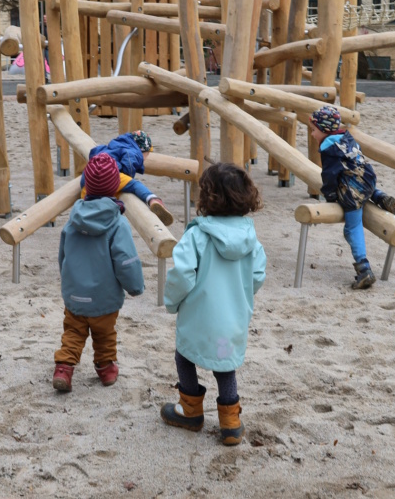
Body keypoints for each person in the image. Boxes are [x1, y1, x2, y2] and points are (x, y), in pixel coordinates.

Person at [160, 163, 266, 445]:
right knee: (224, 364)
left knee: (184, 356)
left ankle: (190, 411)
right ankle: (231, 421)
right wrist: (242, 295)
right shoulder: (250, 239)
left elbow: (182, 275)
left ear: (207, 197)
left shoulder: (197, 235)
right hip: (231, 319)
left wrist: (171, 302)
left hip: (198, 316)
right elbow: (257, 275)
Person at [54, 153, 145, 392]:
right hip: (104, 299)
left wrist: (68, 283)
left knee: (73, 333)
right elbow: (125, 261)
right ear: (115, 187)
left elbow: (63, 255)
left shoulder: (73, 219)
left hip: (74, 296)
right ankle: (106, 370)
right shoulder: (116, 222)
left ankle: (63, 368)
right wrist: (135, 287)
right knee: (105, 336)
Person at [308, 106, 395, 290]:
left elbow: (329, 176)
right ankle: (381, 197)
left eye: (314, 130)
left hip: (353, 190)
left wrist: (331, 195)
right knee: (359, 183)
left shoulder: (329, 148)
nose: (312, 134)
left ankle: (364, 269)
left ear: (324, 129)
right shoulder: (346, 137)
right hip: (368, 179)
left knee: (352, 228)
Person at [79, 130, 174, 226]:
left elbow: (94, 152)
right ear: (142, 150)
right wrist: (128, 175)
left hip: (88, 178)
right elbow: (129, 162)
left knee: (89, 204)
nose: (146, 158)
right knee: (134, 184)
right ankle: (152, 199)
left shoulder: (113, 146)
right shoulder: (134, 152)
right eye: (147, 154)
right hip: (110, 174)